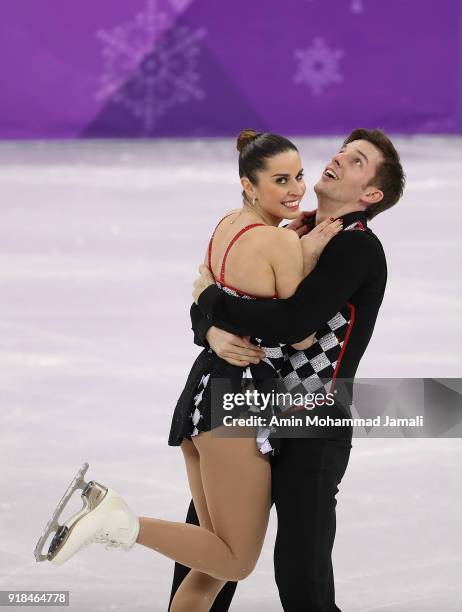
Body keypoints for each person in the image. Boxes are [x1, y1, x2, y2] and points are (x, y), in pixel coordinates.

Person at [35, 130, 341, 612]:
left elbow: (213, 287)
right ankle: (119, 522)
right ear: (249, 185)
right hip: (239, 401)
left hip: (203, 393)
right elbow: (299, 335)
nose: (296, 189)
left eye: (299, 176)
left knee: (212, 563)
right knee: (236, 561)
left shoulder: (226, 226)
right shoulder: (278, 244)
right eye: (280, 180)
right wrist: (307, 256)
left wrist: (218, 317)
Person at [171, 128, 406, 611]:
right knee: (211, 544)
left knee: (301, 572)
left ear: (371, 194)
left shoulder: (356, 247)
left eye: (357, 160)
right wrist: (211, 330)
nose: (340, 157)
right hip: (249, 403)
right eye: (344, 149)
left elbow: (293, 324)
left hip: (311, 419)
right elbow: (228, 295)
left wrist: (209, 299)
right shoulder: (289, 232)